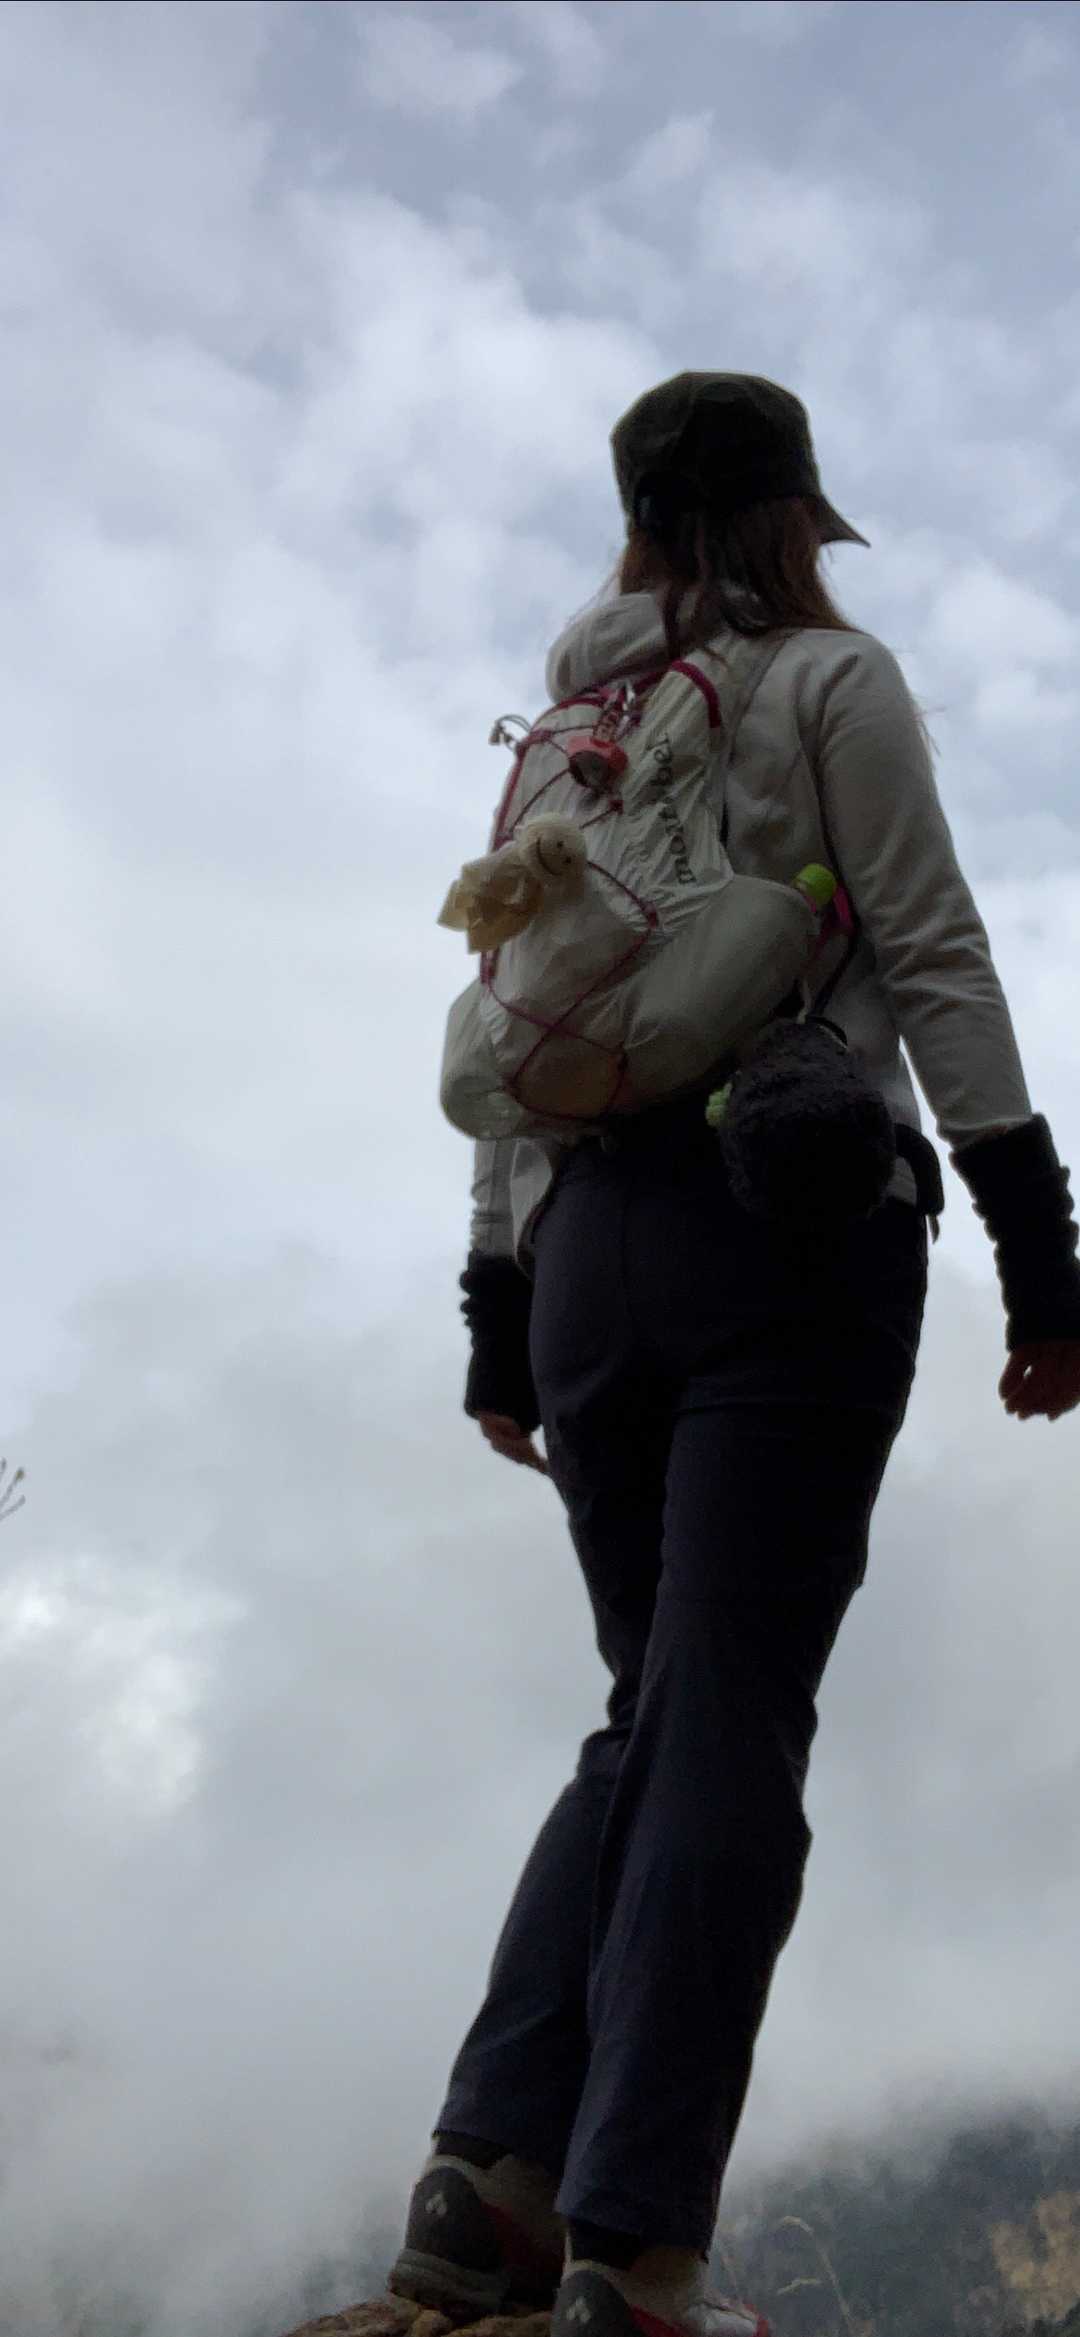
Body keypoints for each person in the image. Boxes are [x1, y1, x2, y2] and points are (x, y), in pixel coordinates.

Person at [389, 374, 1080, 2337]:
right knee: (729, 1721)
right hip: (790, 1222)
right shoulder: (830, 683)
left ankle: (491, 2178)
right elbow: (932, 949)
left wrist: (498, 1308)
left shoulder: (565, 742)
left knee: (650, 1708)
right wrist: (1041, 1249)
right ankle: (640, 2243)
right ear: (794, 517)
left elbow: (518, 1020)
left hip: (584, 1260)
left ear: (633, 525)